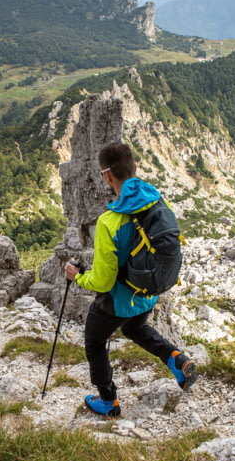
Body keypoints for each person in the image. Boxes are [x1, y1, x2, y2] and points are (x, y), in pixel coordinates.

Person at [64, 142, 197, 417]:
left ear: (107, 176)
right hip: (148, 293)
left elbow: (102, 282)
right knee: (134, 329)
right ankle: (175, 359)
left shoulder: (110, 222)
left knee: (95, 341)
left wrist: (78, 277)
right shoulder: (158, 201)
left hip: (119, 301)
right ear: (135, 168)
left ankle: (108, 401)